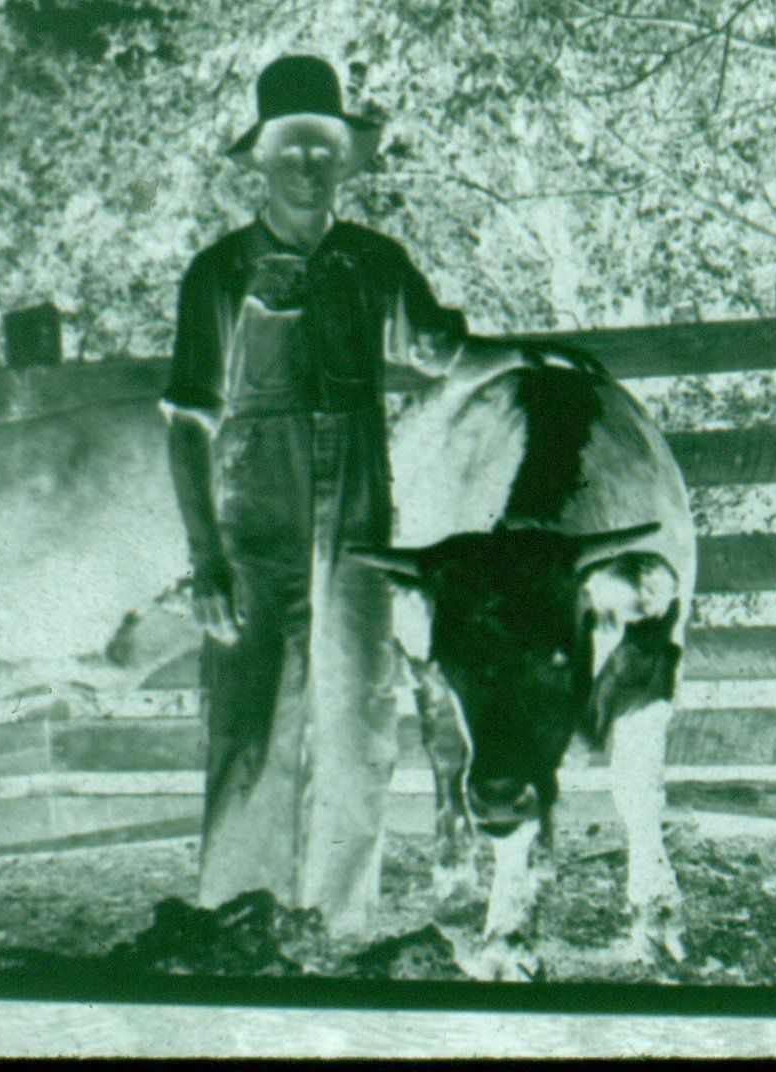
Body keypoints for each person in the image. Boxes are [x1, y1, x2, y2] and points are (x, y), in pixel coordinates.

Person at [161, 55, 595, 936]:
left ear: (343, 161)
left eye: (324, 150)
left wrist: (529, 356)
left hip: (361, 516)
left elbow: (445, 353)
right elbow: (187, 423)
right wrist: (207, 556)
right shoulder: (221, 272)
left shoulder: (374, 262)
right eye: (291, 149)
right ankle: (240, 922)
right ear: (261, 159)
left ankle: (337, 922)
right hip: (258, 514)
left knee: (361, 717)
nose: (309, 167)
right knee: (254, 720)